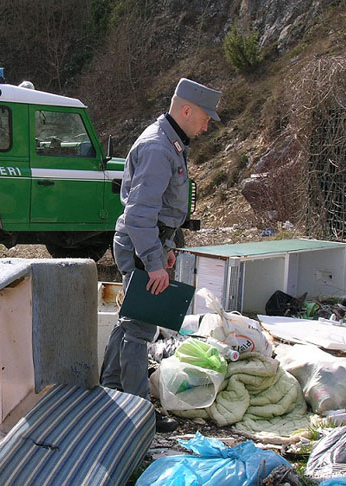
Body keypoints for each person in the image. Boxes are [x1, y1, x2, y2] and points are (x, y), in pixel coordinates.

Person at [100, 78, 221, 433]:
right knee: (141, 328)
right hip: (140, 243)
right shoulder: (158, 148)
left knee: (130, 320)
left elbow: (157, 210)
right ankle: (139, 412)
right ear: (186, 110)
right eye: (204, 117)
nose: (207, 124)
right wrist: (153, 263)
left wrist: (164, 251)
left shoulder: (170, 143)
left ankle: (110, 388)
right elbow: (139, 216)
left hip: (148, 242)